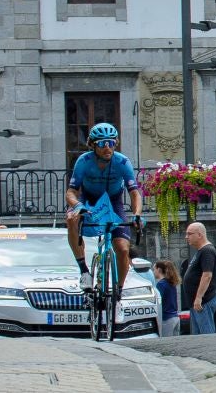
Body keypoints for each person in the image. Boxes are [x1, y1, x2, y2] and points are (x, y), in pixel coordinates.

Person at [64, 122, 143, 293]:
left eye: (111, 143)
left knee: (123, 249)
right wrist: (78, 206)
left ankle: (118, 293)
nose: (107, 147)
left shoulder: (122, 162)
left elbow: (134, 193)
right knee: (71, 218)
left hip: (114, 202)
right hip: (88, 200)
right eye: (101, 143)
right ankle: (84, 271)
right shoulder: (83, 161)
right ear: (92, 145)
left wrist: (137, 215)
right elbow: (70, 192)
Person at [182, 222, 216, 334]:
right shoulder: (201, 251)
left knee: (206, 335)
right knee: (198, 337)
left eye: (189, 234)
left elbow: (207, 275)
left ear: (199, 235)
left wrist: (199, 298)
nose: (186, 237)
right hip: (198, 302)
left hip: (204, 301)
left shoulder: (207, 251)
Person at [154, 259, 180, 337]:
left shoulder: (161, 284)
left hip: (166, 319)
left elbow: (158, 301)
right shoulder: (171, 283)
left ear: (159, 270)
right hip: (175, 317)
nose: (153, 272)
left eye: (154, 269)